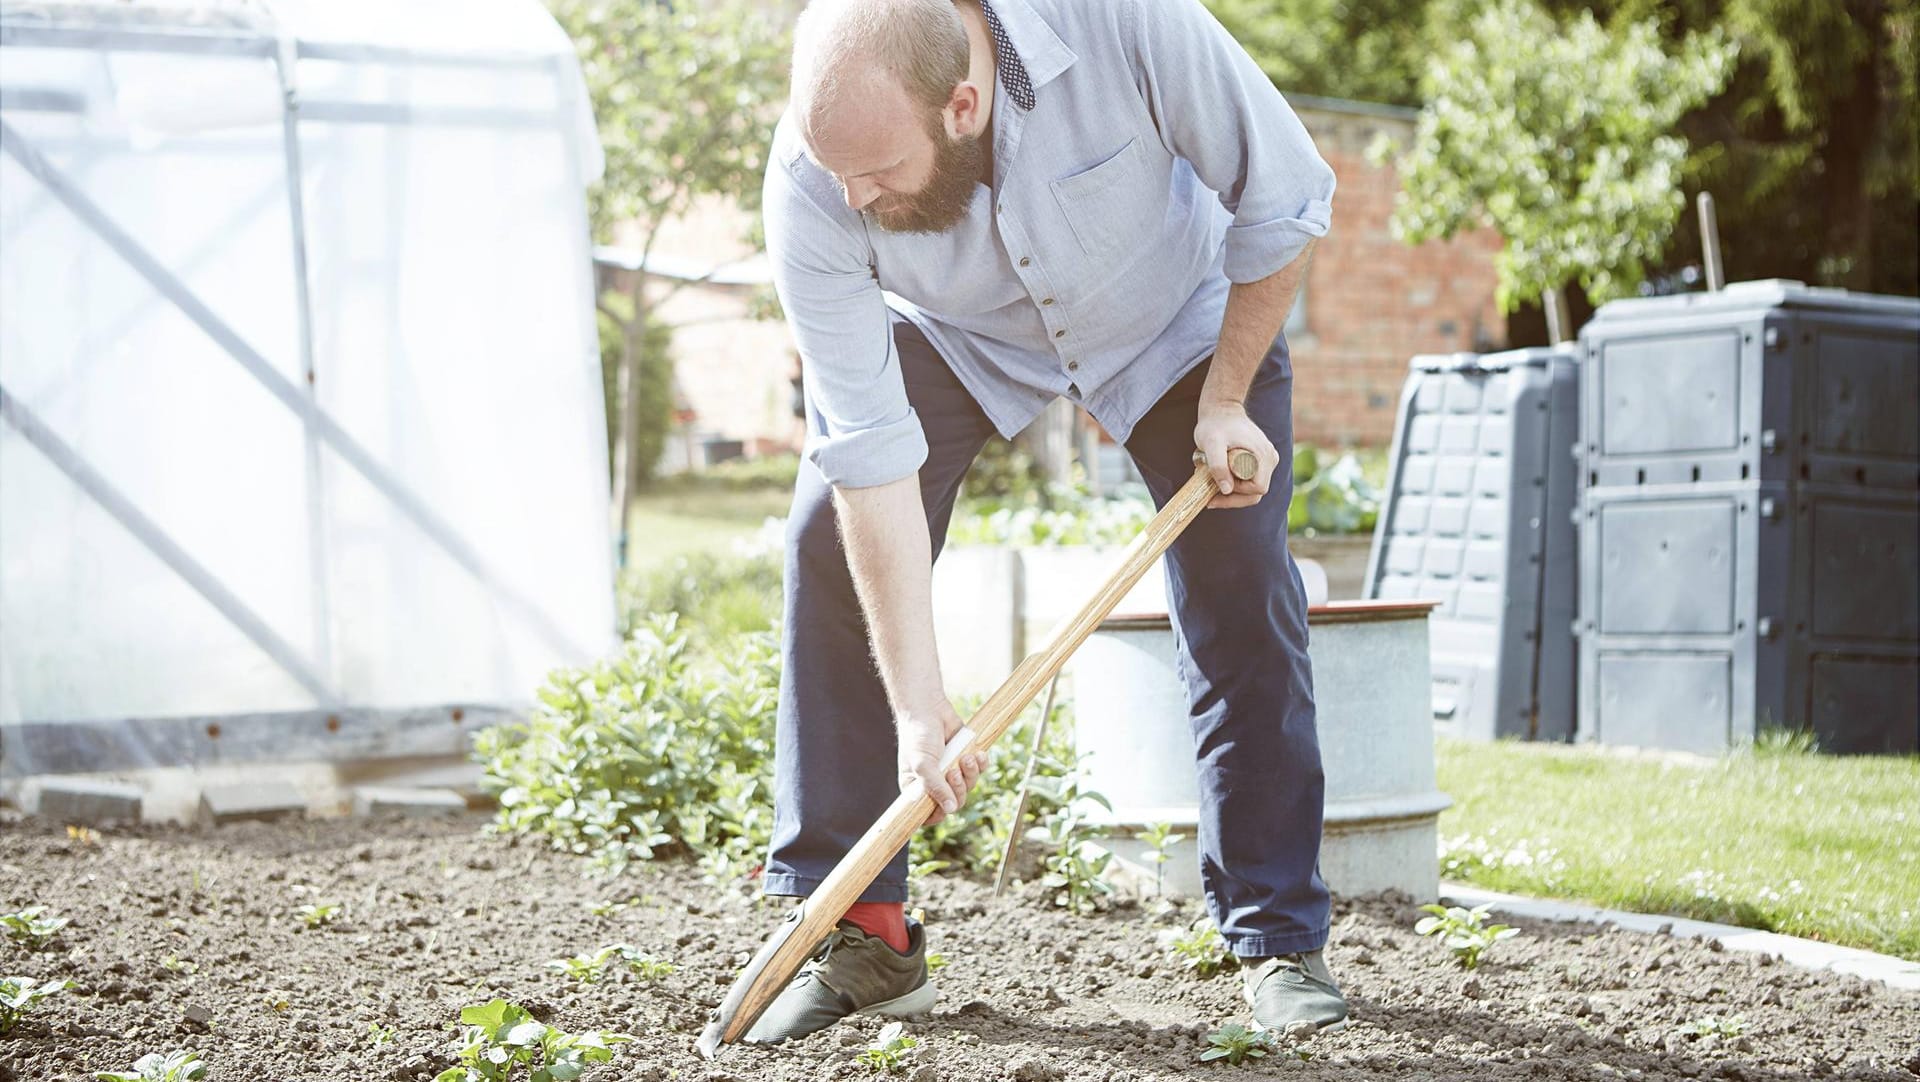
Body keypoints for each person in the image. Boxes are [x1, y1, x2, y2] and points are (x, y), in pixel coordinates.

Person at [749, 0, 1340, 1044]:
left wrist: (1229, 396)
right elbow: (869, 456)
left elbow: (1285, 195)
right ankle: (868, 938)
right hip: (963, 335)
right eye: (835, 171)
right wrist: (920, 711)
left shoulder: (1129, 22)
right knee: (821, 544)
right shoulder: (813, 184)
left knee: (1238, 583)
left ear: (963, 104)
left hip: (1177, 316)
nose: (854, 197)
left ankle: (1277, 938)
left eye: (878, 173)